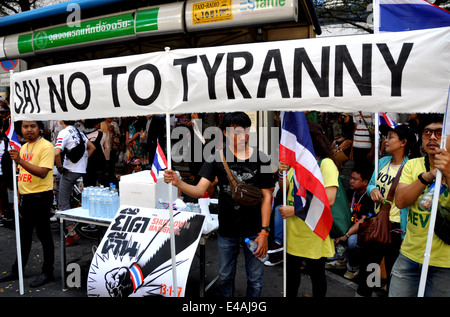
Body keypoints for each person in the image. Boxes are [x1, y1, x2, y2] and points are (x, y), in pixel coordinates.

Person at [164, 112, 274, 297]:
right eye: (235, 131)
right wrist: (178, 182)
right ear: (224, 133)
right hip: (227, 230)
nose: (241, 135)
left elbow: (267, 197)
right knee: (225, 277)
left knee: (255, 280)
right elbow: (200, 190)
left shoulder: (261, 158)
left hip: (255, 231)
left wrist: (264, 232)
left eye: (244, 130)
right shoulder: (216, 158)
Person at [390, 114, 450, 297]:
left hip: (445, 265)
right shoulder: (413, 165)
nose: (432, 137)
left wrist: (447, 172)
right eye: (427, 133)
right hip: (410, 257)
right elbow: (400, 201)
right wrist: (428, 176)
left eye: (439, 133)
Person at [355, 123, 415, 297]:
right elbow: (372, 183)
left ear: (403, 142)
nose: (385, 140)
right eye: (385, 136)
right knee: (370, 267)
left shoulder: (411, 166)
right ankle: (367, 293)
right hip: (377, 224)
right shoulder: (382, 161)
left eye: (390, 137)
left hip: (397, 228)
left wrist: (405, 235)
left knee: (393, 270)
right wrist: (372, 189)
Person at [278, 122, 336, 297]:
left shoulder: (325, 164)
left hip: (314, 231)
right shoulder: (294, 163)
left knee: (317, 276)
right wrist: (281, 173)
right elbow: (284, 190)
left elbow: (330, 199)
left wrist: (295, 210)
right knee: (291, 278)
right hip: (293, 233)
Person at [0, 121, 55, 287]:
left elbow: (43, 172)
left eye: (33, 126)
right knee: (23, 236)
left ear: (40, 128)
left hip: (41, 197)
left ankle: (48, 272)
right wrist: (17, 197)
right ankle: (17, 270)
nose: (29, 130)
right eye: (25, 127)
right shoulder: (23, 147)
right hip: (25, 198)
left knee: (44, 235)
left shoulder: (46, 146)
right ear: (21, 129)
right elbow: (21, 175)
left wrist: (20, 161)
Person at [55, 120, 95, 246]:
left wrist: (60, 167)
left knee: (63, 201)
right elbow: (92, 147)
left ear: (62, 120)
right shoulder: (80, 132)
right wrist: (82, 163)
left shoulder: (64, 132)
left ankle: (71, 233)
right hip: (81, 170)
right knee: (58, 180)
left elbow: (56, 153)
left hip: (70, 171)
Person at [331, 166, 374, 280]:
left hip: (361, 232)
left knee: (352, 240)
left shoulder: (369, 197)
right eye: (351, 178)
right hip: (347, 227)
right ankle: (341, 259)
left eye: (355, 179)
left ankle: (353, 267)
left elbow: (363, 221)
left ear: (365, 182)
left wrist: (346, 234)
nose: (351, 180)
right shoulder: (350, 193)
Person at [84, 119, 108, 187]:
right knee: (101, 184)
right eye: (98, 123)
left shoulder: (82, 135)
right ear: (95, 124)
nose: (100, 124)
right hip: (100, 163)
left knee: (88, 184)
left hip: (87, 163)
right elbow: (106, 147)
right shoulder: (103, 135)